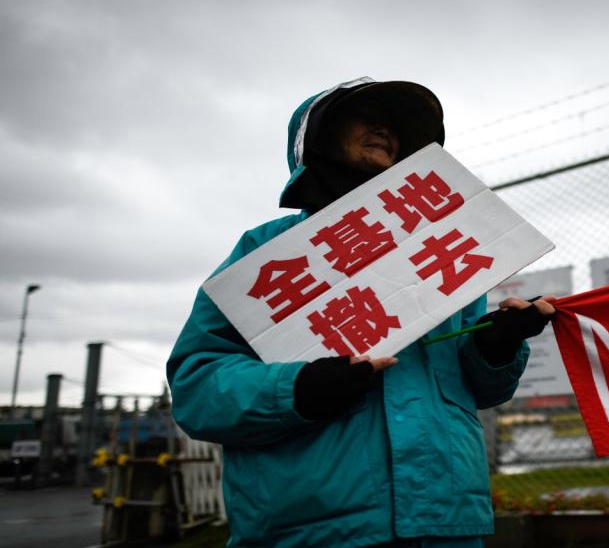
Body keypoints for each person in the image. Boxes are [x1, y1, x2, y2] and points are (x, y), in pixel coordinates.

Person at [166, 77, 556, 547]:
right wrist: (298, 390)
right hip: (312, 531)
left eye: (394, 124)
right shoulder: (265, 252)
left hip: (446, 522)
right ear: (317, 139)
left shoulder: (441, 254)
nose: (384, 130)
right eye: (364, 117)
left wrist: (495, 345)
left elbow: (482, 389)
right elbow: (197, 385)